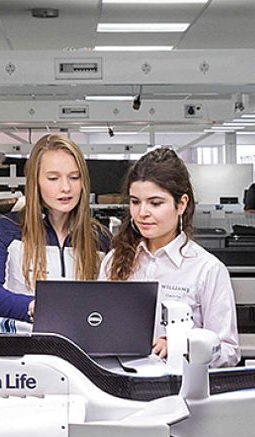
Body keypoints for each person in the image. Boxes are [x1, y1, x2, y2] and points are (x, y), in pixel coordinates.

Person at [102, 148, 240, 368]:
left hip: (179, 392)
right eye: (135, 202)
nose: (142, 213)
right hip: (119, 387)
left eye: (155, 203)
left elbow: (228, 351)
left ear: (181, 204)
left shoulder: (207, 269)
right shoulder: (113, 261)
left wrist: (179, 345)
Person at [0, 134, 110, 322]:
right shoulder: (6, 229)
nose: (66, 187)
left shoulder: (100, 238)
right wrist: (39, 307)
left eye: (74, 177)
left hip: (78, 347)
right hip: (22, 346)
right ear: (36, 182)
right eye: (53, 178)